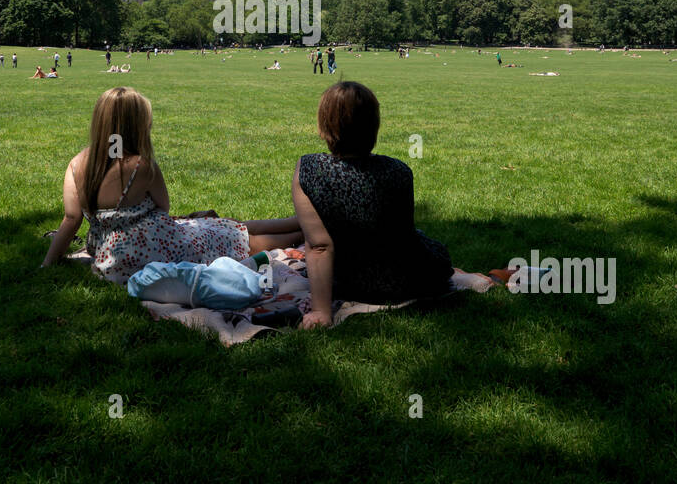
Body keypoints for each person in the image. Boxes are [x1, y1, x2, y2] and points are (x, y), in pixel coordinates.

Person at [41, 87, 302, 282]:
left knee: (224, 226)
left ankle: (300, 222)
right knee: (232, 236)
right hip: (154, 248)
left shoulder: (76, 165)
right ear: (137, 126)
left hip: (109, 259)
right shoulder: (141, 166)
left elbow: (71, 219)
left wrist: (48, 264)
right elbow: (163, 208)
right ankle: (305, 230)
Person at [292, 82, 454, 328]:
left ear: (325, 125)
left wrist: (321, 312)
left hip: (348, 282)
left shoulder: (310, 170)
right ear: (373, 125)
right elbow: (402, 235)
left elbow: (319, 246)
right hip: (410, 280)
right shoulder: (399, 170)